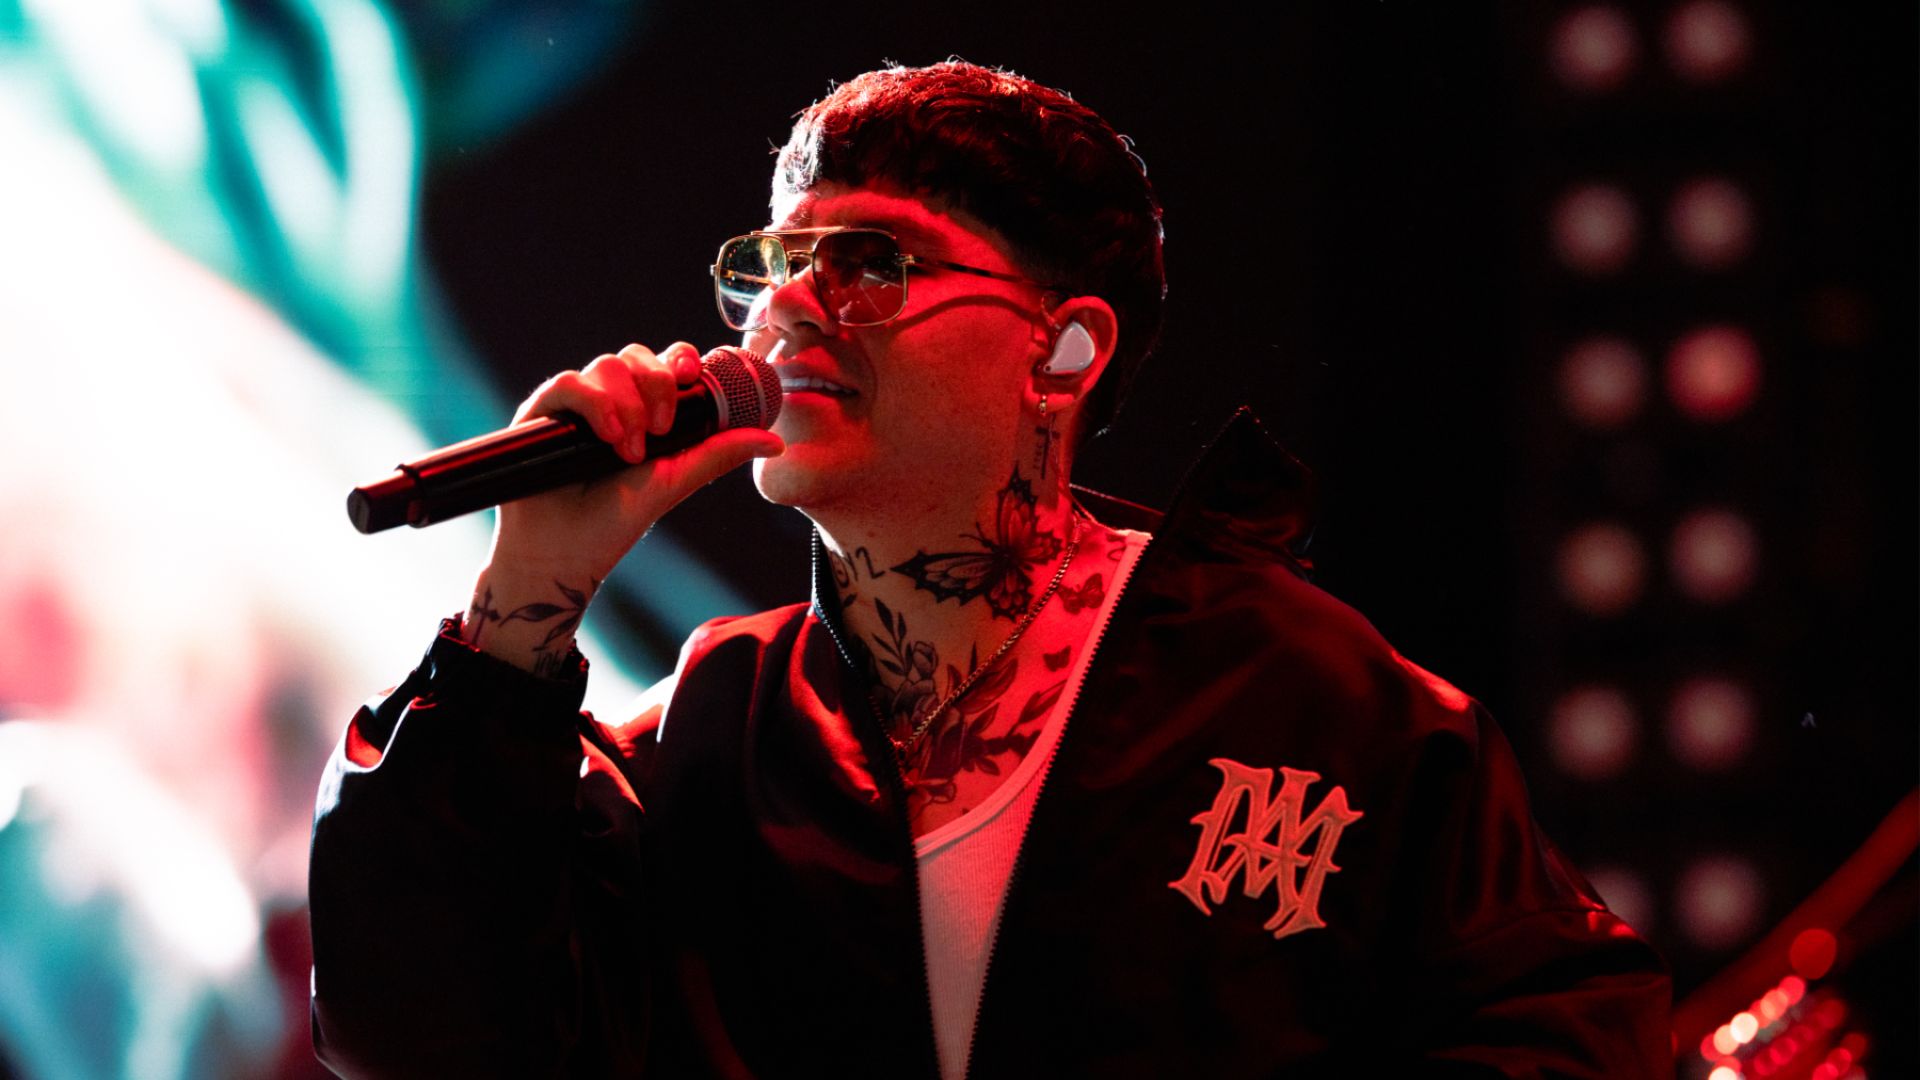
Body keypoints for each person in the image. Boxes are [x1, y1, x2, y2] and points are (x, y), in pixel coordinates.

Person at [308, 61, 1672, 1078]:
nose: (790, 308)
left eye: (869, 264)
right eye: (775, 265)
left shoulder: (1303, 700)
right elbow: (412, 1035)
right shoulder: (707, 739)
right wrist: (526, 601)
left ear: (1062, 353)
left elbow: (1571, 1034)